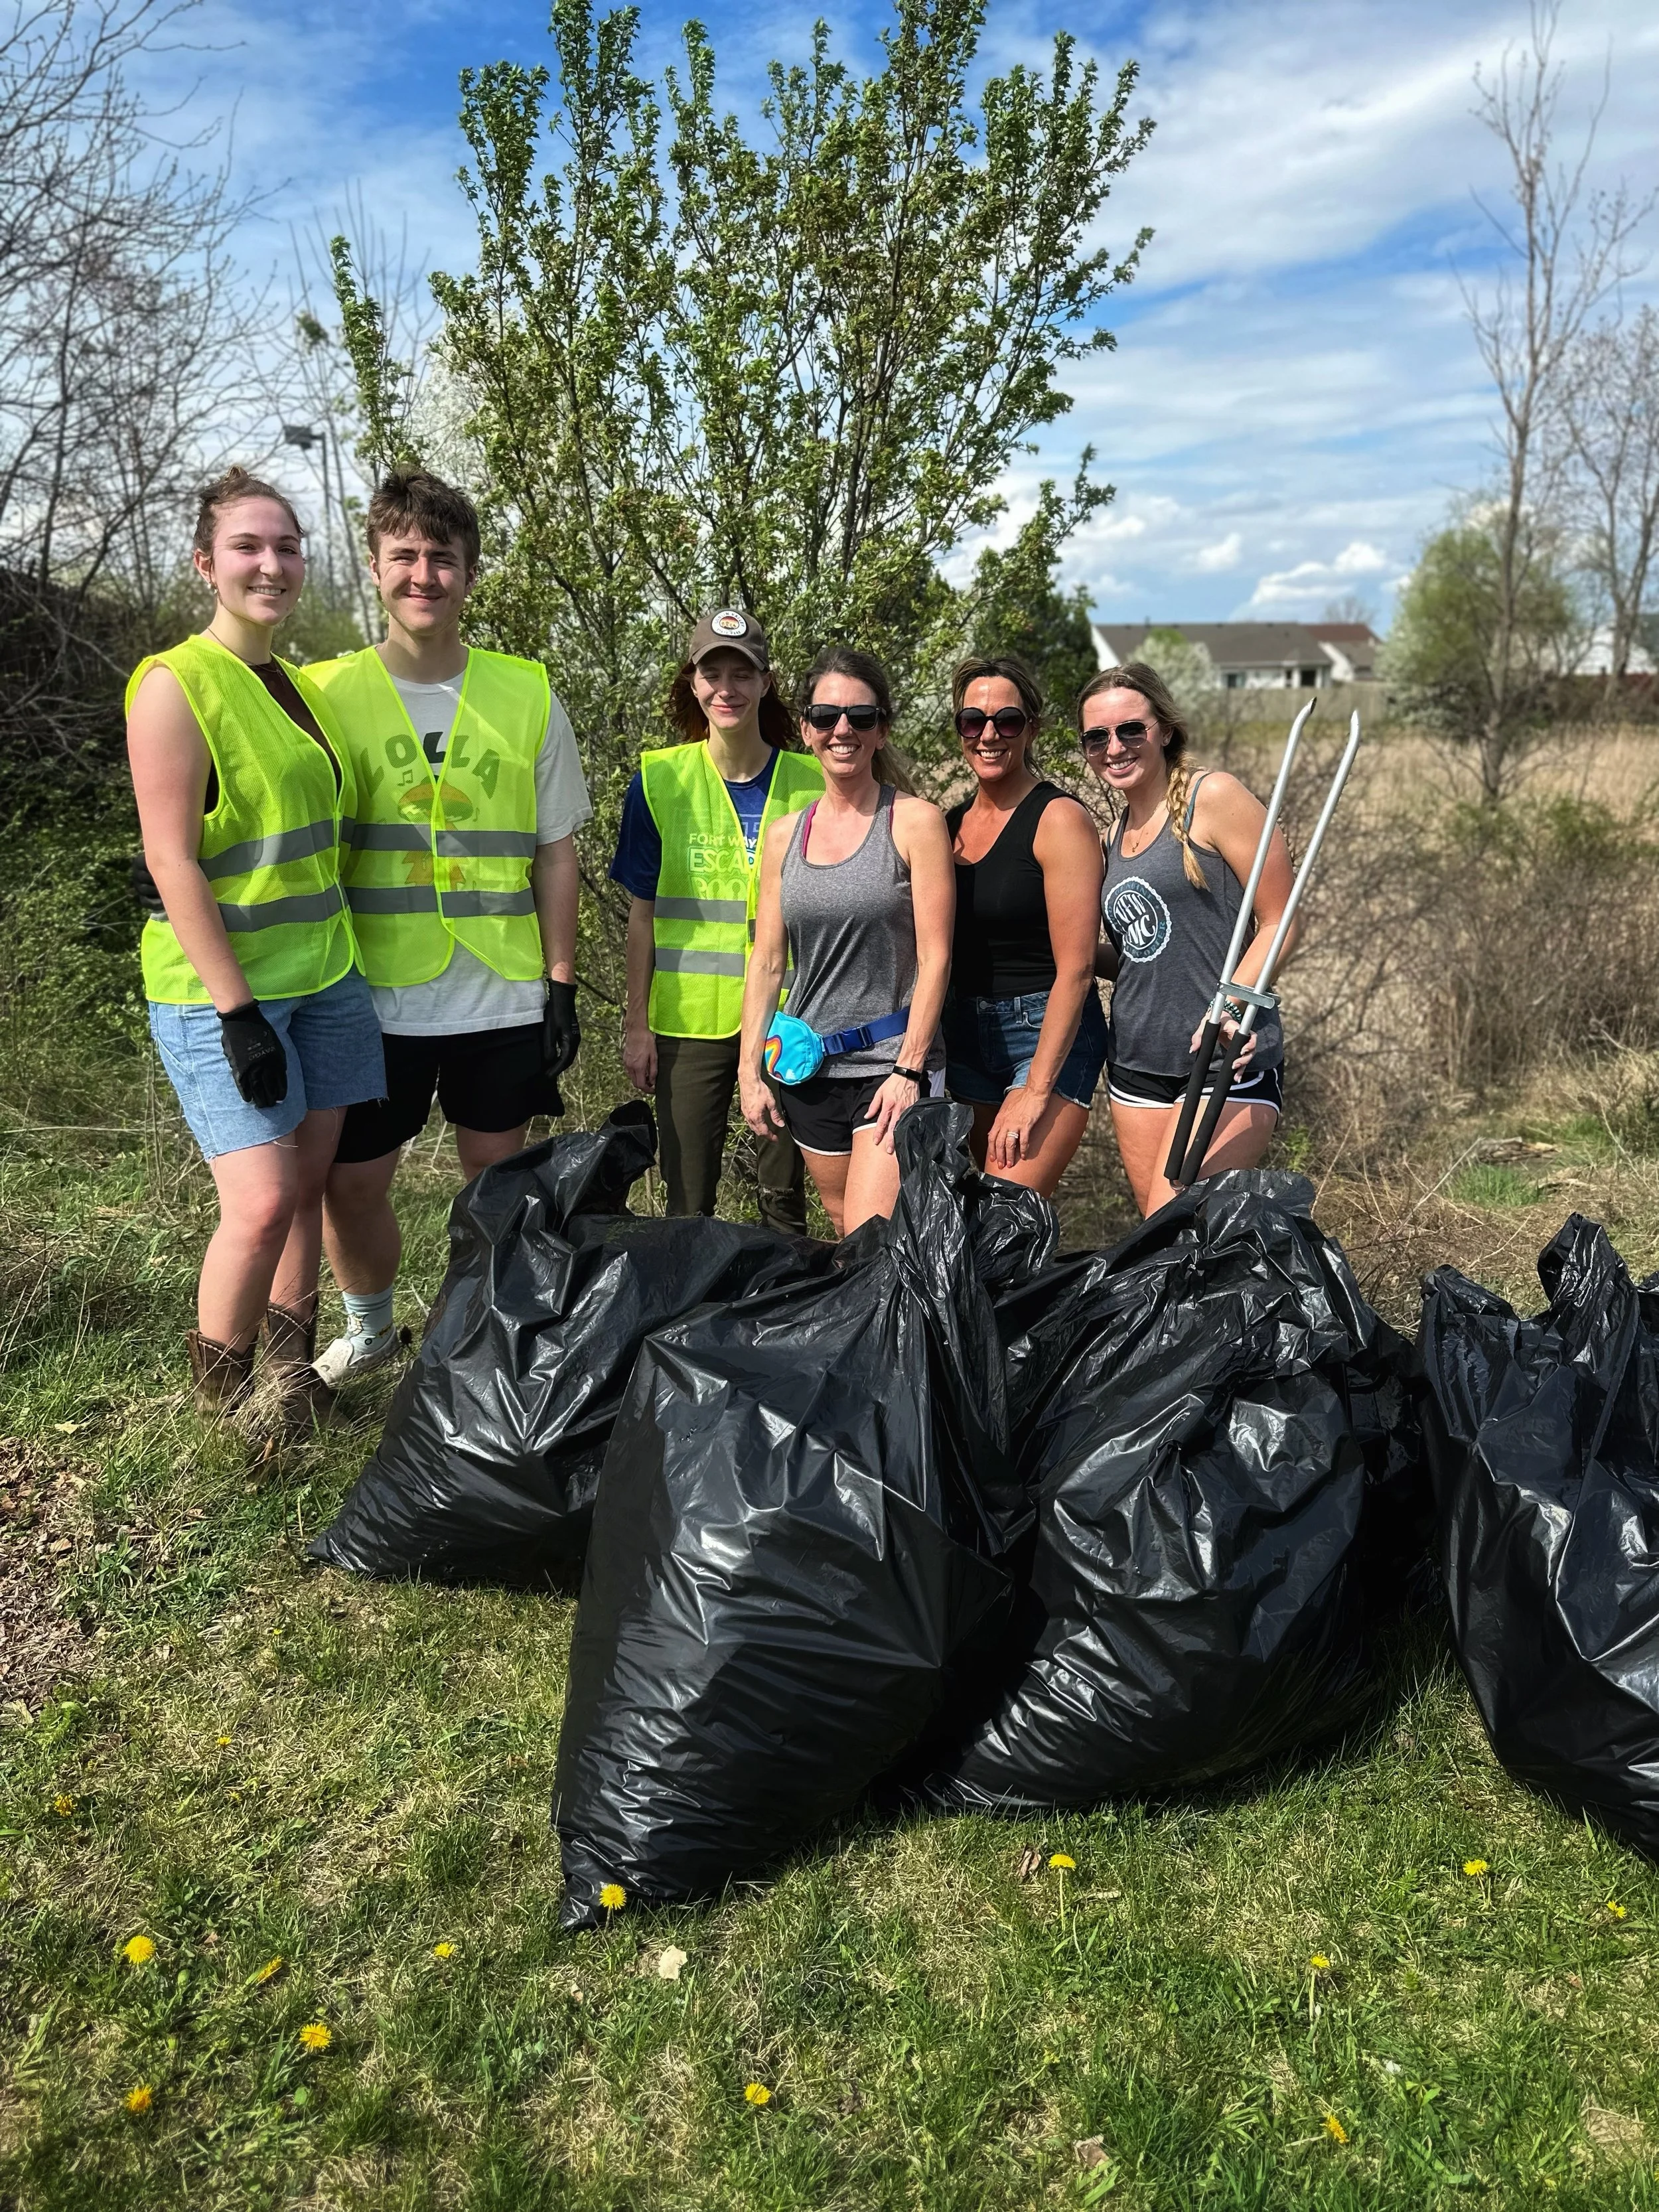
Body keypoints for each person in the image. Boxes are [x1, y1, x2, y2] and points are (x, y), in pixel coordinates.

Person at [309, 471, 589, 1385]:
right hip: (369, 990)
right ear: (375, 566)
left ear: (471, 574)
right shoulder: (322, 693)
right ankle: (371, 1328)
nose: (424, 574)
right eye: (406, 556)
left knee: (494, 1188)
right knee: (350, 1185)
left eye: (443, 558)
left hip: (499, 989)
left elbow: (555, 850)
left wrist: (559, 981)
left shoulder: (528, 693)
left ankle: (476, 1340)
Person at [125, 467, 384, 1428]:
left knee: (308, 1189)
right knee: (265, 1200)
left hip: (323, 975)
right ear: (206, 564)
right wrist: (237, 1013)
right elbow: (171, 859)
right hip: (223, 992)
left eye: (285, 546)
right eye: (247, 546)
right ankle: (220, 1411)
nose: (270, 563)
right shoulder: (175, 684)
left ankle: (289, 1387)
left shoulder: (294, 683)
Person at [610, 611, 823, 1230]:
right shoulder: (658, 780)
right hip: (688, 1020)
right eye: (712, 673)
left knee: (783, 1199)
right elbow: (642, 915)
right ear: (693, 682)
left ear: (765, 683)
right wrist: (636, 1023)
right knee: (687, 1199)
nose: (726, 687)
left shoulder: (811, 782)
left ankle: (782, 1312)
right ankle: (689, 1322)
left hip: (790, 1017)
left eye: (741, 673)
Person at [739, 646, 954, 1237]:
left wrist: (910, 1069)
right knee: (842, 1227)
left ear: (881, 730)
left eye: (860, 717)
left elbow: (937, 956)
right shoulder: (785, 835)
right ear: (806, 728)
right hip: (809, 1070)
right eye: (827, 715)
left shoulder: (915, 823)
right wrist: (748, 1070)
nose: (843, 730)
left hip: (889, 1067)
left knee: (872, 1238)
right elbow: (767, 960)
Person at [1082, 660, 1296, 1217]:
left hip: (1224, 1053)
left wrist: (1229, 1007)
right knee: (1160, 1245)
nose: (1115, 746)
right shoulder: (1109, 841)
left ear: (1166, 729)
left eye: (1132, 729)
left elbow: (1282, 919)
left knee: (1174, 1228)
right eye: (1097, 736)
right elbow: (1141, 955)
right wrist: (1072, 957)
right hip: (1135, 1063)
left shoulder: (1214, 797)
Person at [941, 654, 1106, 1197]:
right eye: (973, 721)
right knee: (979, 1209)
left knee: (1006, 1217)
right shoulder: (949, 827)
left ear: (1031, 728)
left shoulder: (1058, 819)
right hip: (965, 1035)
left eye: (1006, 721)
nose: (989, 734)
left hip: (1042, 1030)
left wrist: (1036, 1089)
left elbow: (1078, 969)